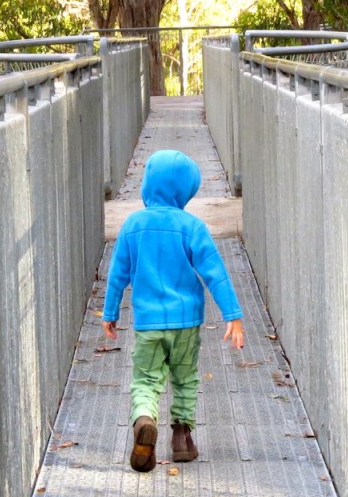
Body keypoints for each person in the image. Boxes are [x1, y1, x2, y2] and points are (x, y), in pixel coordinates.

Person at [102, 149, 245, 472]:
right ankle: (182, 438)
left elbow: (117, 274)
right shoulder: (191, 226)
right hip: (186, 323)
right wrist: (232, 314)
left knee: (147, 379)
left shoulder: (133, 225)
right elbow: (214, 272)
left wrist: (109, 313)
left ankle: (144, 418)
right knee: (185, 378)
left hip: (149, 323)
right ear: (185, 191)